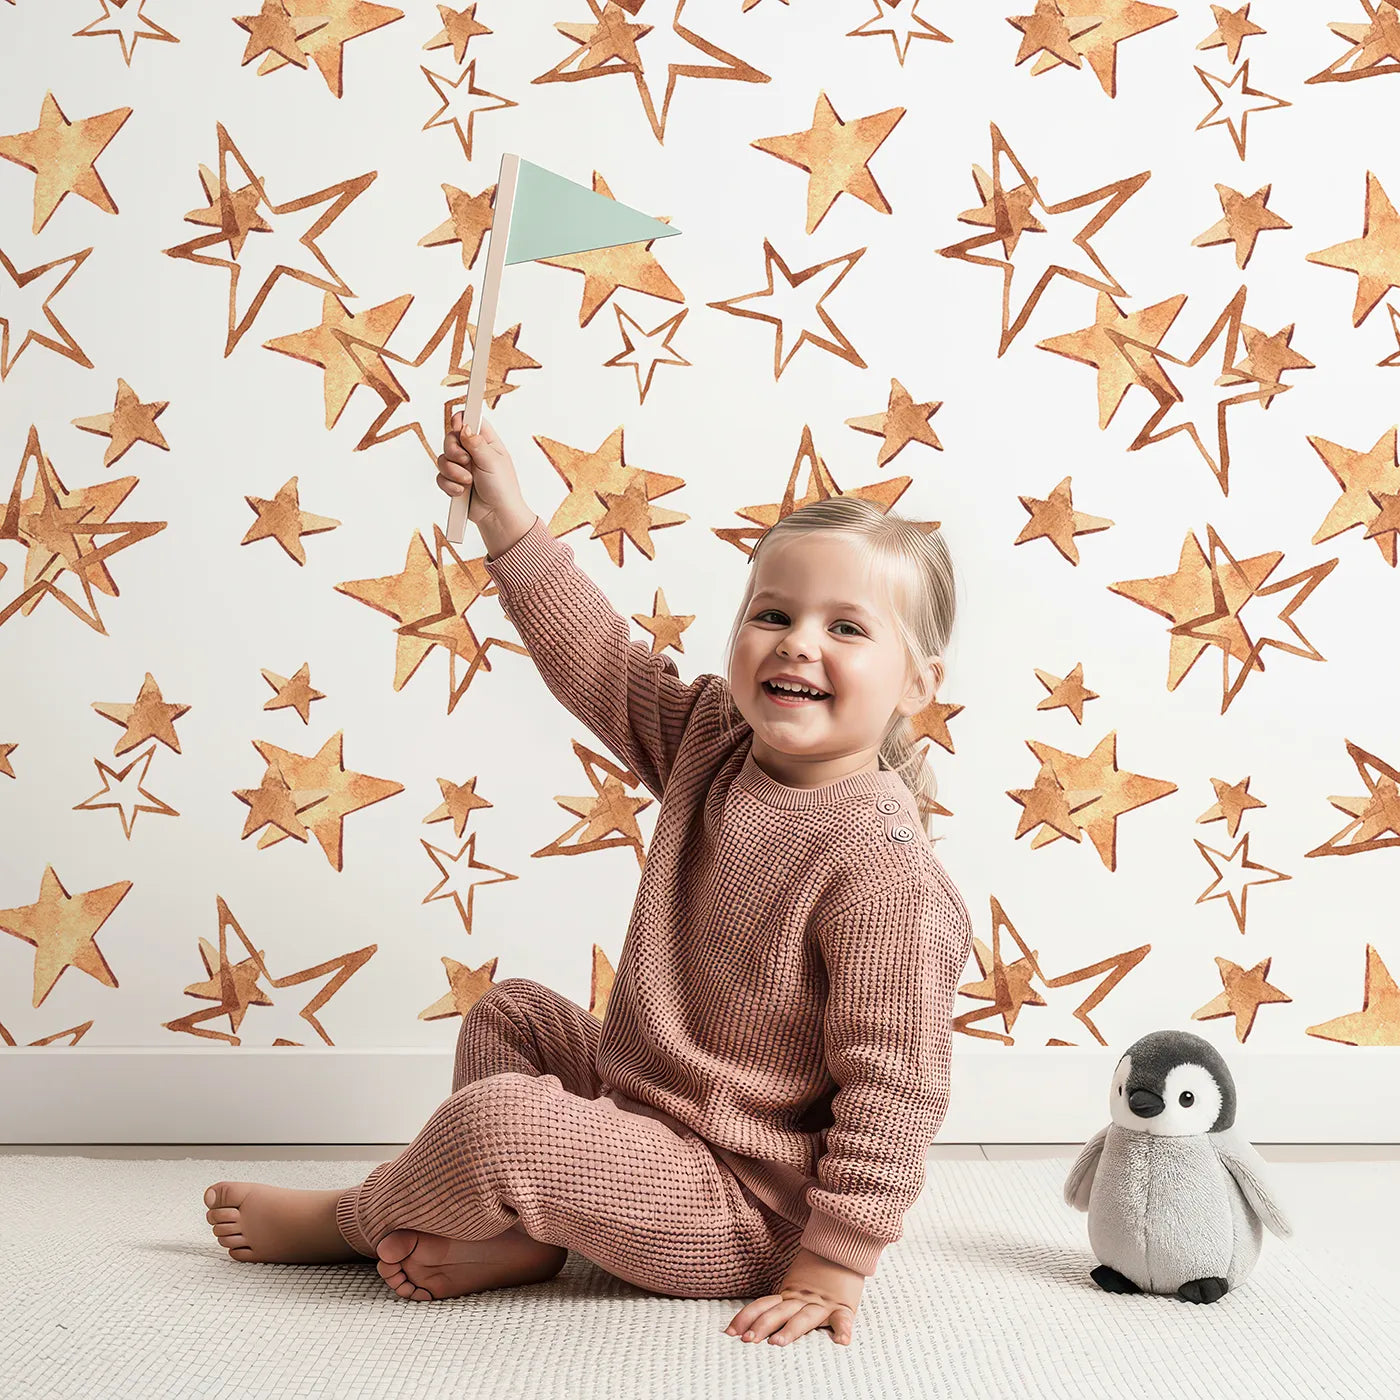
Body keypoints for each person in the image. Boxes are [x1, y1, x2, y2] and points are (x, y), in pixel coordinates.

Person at [202, 413, 975, 1351]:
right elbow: (600, 660)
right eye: (772, 614)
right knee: (513, 1016)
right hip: (640, 1110)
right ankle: (519, 1237)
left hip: (739, 1205)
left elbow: (897, 1089)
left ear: (917, 685)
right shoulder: (712, 744)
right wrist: (508, 524)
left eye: (845, 628)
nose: (795, 644)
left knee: (503, 1125)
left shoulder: (885, 873)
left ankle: (347, 1222)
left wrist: (834, 1259)